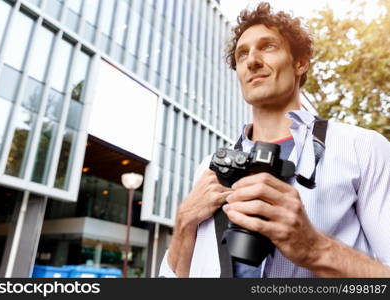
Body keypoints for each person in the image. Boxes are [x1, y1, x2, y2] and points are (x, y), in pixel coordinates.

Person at [159, 2, 390, 278]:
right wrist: (185, 222)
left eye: (268, 46)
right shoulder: (209, 168)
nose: (252, 61)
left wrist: (317, 250)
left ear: (300, 63)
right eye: (242, 54)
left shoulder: (362, 148)